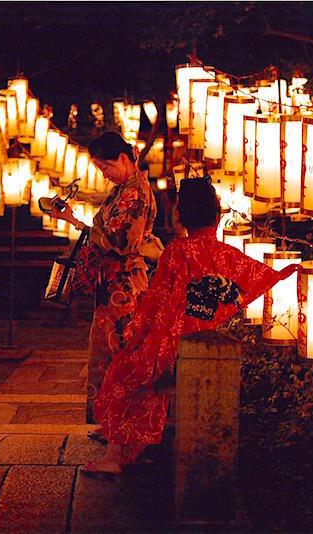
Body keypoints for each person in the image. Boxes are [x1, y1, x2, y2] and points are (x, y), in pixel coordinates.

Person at [82, 178, 299, 474]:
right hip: (198, 335)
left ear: (181, 216)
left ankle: (114, 455)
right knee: (133, 370)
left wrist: (135, 336)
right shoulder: (225, 254)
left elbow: (154, 302)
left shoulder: (177, 251)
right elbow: (258, 276)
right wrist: (286, 272)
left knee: (124, 371)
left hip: (169, 342)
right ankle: (125, 445)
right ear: (216, 215)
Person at [49, 131, 160, 425]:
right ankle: (111, 424)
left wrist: (84, 228)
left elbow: (119, 242)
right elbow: (106, 235)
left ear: (123, 159)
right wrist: (73, 220)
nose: (105, 175)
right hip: (113, 285)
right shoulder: (125, 189)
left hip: (123, 287)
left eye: (106, 167)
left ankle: (119, 426)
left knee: (118, 355)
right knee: (107, 353)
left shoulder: (135, 192)